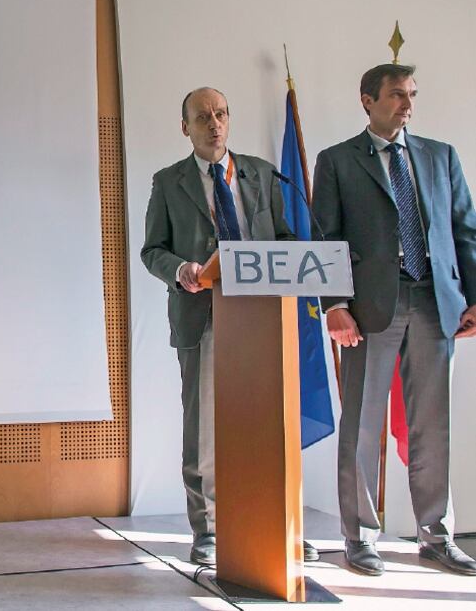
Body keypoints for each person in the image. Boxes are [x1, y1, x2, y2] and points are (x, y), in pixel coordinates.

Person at [312, 63, 476, 577]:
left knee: (433, 425)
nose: (408, 105)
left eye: (412, 95)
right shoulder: (337, 160)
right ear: (367, 100)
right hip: (369, 309)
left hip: (435, 302)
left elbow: (465, 230)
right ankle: (360, 536)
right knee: (362, 424)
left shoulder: (440, 156)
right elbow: (325, 238)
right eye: (397, 95)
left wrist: (474, 297)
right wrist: (335, 304)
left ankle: (436, 535)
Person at [141, 87, 316, 566]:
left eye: (220, 114)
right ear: (186, 128)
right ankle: (210, 530)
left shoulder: (262, 172)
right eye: (202, 117)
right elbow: (152, 250)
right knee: (204, 431)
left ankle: (276, 524)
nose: (213, 124)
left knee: (268, 425)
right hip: (203, 315)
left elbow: (283, 237)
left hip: (263, 316)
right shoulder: (169, 181)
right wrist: (181, 269)